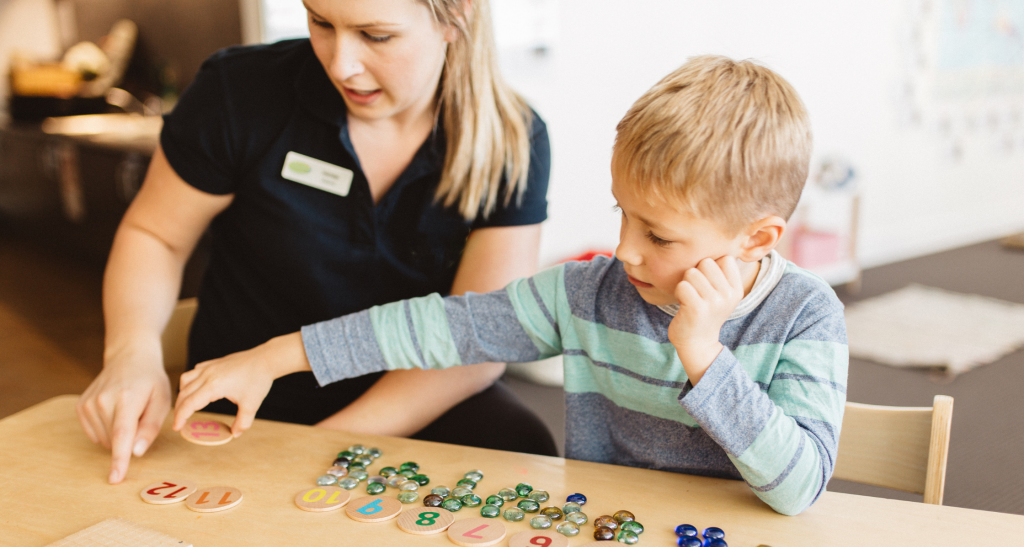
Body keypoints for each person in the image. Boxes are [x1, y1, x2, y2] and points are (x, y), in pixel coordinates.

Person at [172, 55, 848, 515]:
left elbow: (798, 490)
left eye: (659, 236)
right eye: (622, 216)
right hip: (602, 537)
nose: (625, 251)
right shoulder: (587, 293)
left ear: (757, 239)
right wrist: (277, 354)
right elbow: (442, 327)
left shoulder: (805, 316)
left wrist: (703, 355)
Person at [76, 0, 559, 486]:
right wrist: (129, 353)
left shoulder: (513, 139)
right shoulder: (240, 91)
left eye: (376, 35)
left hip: (418, 398)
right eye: (321, 22)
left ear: (457, 16)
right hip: (250, 404)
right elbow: (154, 236)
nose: (339, 64)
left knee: (523, 451)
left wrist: (320, 453)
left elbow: (476, 338)